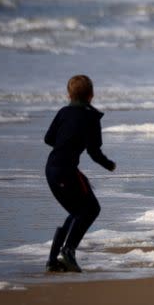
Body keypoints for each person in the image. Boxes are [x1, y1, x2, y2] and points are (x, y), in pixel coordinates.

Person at [44, 75, 116, 273]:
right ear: (91, 95)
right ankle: (68, 251)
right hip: (66, 171)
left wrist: (67, 139)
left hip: (51, 169)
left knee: (77, 211)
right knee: (91, 209)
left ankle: (53, 261)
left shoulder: (63, 112)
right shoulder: (91, 118)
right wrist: (109, 164)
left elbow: (49, 139)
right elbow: (94, 152)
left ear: (68, 94)